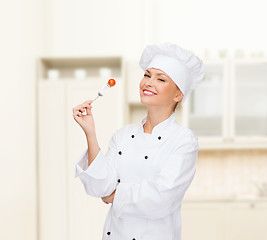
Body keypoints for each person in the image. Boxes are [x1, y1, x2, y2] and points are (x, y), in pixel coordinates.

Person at [72, 42, 205, 240]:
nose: (148, 82)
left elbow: (162, 198)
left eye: (161, 79)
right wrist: (90, 133)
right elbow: (99, 187)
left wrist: (115, 196)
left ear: (178, 94)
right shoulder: (123, 136)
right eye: (146, 75)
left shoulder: (183, 141)